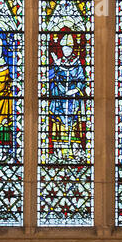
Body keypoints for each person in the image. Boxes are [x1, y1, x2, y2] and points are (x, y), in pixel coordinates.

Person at [48, 33, 86, 161]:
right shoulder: (58, 62)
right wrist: (55, 66)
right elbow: (48, 76)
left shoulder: (77, 62)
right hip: (59, 98)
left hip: (72, 100)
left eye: (68, 48)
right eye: (64, 48)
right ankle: (59, 151)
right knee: (59, 123)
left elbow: (82, 79)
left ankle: (74, 150)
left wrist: (75, 89)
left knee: (73, 123)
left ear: (72, 49)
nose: (66, 51)